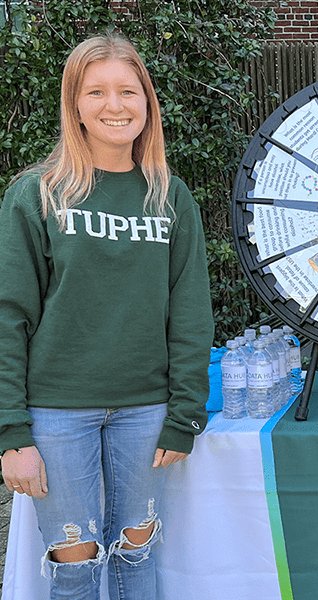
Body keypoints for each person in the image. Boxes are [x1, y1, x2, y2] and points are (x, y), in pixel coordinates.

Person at [0, 33, 213, 599]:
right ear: (74, 105)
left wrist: (185, 413)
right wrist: (11, 433)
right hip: (56, 413)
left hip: (147, 412)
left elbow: (190, 314)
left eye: (128, 91)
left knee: (137, 561)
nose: (115, 106)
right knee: (74, 570)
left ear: (148, 103)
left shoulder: (169, 197)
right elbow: (8, 317)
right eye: (96, 92)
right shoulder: (36, 195)